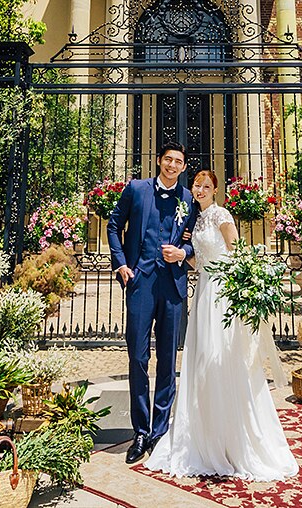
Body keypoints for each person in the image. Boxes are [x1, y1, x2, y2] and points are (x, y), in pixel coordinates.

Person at [146, 169, 298, 481]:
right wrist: (179, 257)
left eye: (206, 186)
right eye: (197, 185)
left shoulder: (220, 215)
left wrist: (242, 291)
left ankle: (232, 439)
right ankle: (204, 431)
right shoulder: (195, 220)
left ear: (215, 190)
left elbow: (238, 251)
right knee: (202, 359)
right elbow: (199, 258)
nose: (200, 190)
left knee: (222, 357)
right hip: (204, 291)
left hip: (223, 293)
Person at [107, 141, 198, 464]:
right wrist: (120, 263)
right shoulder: (136, 189)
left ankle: (159, 432)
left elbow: (195, 241)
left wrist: (184, 253)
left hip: (172, 287)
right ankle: (141, 430)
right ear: (158, 160)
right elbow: (114, 225)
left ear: (184, 167)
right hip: (140, 283)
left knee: (167, 362)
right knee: (138, 358)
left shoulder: (189, 199)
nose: (172, 165)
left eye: (178, 161)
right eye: (168, 159)